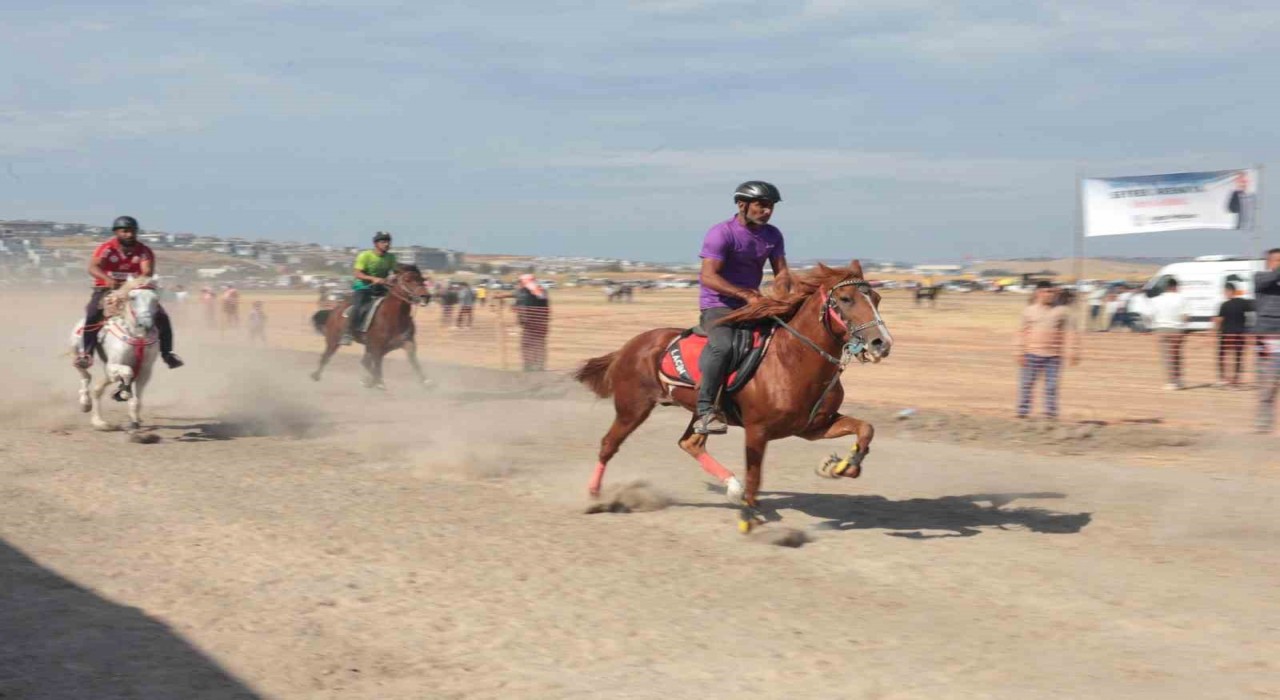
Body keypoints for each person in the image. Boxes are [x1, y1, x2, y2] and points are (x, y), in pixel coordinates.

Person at [694, 181, 790, 434]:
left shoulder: (773, 235)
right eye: (762, 205)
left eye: (771, 207)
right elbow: (708, 277)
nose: (767, 211)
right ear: (742, 204)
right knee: (723, 346)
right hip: (719, 305)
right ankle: (705, 411)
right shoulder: (721, 233)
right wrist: (745, 295)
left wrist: (782, 297)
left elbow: (781, 272)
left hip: (754, 304)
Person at [75, 215, 184, 370]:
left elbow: (147, 272)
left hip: (135, 290)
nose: (129, 234)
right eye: (125, 231)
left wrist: (131, 285)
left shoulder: (143, 251)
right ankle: (86, 353)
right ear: (116, 232)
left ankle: (168, 354)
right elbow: (93, 267)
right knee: (93, 313)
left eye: (132, 231)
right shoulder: (107, 248)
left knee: (163, 317)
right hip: (106, 289)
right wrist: (107, 279)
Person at [1015, 281, 1078, 420]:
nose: (1051, 295)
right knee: (1026, 384)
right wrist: (1019, 352)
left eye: (1052, 292)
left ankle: (1050, 414)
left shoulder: (1062, 311)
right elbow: (1021, 333)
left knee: (1051, 386)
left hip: (1054, 356)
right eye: (1047, 292)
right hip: (1031, 354)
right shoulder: (1029, 311)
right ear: (1039, 293)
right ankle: (1022, 413)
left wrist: (1073, 351)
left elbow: (1071, 333)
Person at [342, 232, 397, 346]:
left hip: (382, 287)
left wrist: (394, 277)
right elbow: (357, 273)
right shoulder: (365, 255)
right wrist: (373, 279)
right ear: (376, 243)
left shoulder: (391, 257)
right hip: (363, 287)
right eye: (383, 242)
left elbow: (394, 272)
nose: (386, 244)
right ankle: (347, 333)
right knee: (358, 307)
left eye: (388, 242)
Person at [1254, 248, 1280, 433]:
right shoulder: (1260, 278)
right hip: (1266, 337)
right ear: (1269, 262)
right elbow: (1269, 279)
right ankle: (1263, 421)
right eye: (1278, 260)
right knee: (1267, 379)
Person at [1149, 278, 1189, 390]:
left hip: (1162, 329)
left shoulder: (1156, 299)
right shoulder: (1181, 298)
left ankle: (1171, 382)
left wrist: (1154, 325)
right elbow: (1185, 316)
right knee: (1176, 355)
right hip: (1177, 329)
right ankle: (1179, 380)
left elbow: (1150, 315)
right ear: (1175, 287)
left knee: (1166, 357)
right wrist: (1183, 327)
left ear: (1166, 287)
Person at [1213, 282, 1253, 387]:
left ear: (1229, 291)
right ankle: (1236, 380)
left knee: (1222, 356)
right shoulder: (1243, 302)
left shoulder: (1224, 305)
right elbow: (1253, 311)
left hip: (1227, 335)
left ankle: (1223, 379)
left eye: (1225, 291)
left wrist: (1215, 330)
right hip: (1240, 334)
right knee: (1238, 358)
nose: (1224, 293)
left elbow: (1219, 320)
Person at [513, 274, 550, 371]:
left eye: (520, 282)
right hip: (542, 323)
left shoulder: (525, 291)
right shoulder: (541, 290)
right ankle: (539, 366)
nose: (519, 284)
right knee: (539, 345)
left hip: (531, 324)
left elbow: (523, 307)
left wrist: (522, 319)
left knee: (527, 345)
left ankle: (529, 367)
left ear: (524, 282)